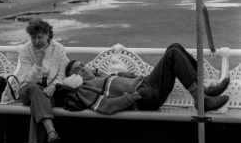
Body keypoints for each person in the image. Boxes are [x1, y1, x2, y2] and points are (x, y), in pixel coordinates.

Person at [61, 43, 229, 115]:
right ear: (75, 77)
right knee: (172, 54)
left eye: (82, 65)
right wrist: (137, 95)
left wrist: (128, 76)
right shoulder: (85, 89)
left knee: (174, 47)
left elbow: (125, 80)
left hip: (147, 85)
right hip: (144, 98)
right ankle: (202, 99)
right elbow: (107, 106)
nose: (83, 68)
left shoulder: (101, 75)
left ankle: (204, 91)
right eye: (78, 70)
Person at [18, 19, 68, 143]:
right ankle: (51, 131)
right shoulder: (26, 50)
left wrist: (54, 86)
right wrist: (38, 62)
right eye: (33, 37)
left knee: (39, 103)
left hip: (48, 92)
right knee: (36, 91)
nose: (36, 41)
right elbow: (28, 81)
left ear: (48, 35)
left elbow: (61, 75)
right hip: (27, 90)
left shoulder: (59, 49)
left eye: (40, 37)